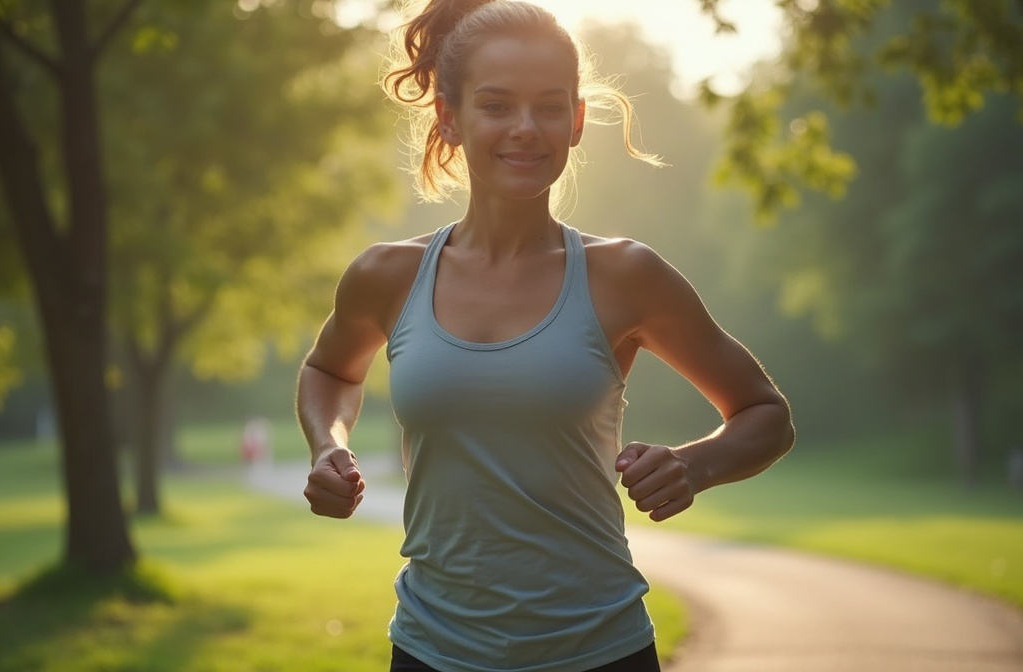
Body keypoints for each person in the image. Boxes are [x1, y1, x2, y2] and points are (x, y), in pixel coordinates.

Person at [297, 1, 795, 670]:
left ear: (578, 119)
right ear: (450, 117)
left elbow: (766, 415)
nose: (526, 129)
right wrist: (327, 447)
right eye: (497, 105)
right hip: (432, 650)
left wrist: (694, 465)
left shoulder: (626, 275)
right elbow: (330, 372)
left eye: (550, 107)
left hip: (601, 650)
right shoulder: (387, 276)